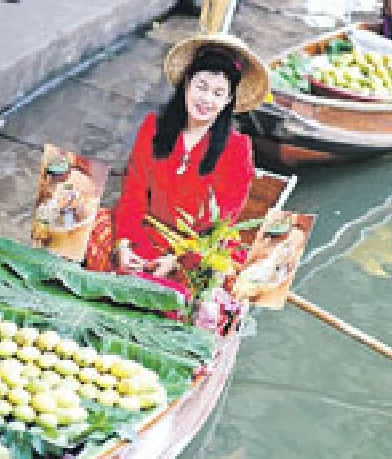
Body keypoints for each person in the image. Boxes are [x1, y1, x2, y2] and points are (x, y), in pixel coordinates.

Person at [84, 33, 268, 278]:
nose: (206, 99)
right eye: (201, 86)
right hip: (146, 233)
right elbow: (134, 190)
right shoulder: (153, 127)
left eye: (218, 93)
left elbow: (221, 223)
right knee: (94, 228)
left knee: (214, 277)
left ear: (228, 100)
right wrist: (125, 244)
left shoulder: (238, 149)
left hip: (197, 249)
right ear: (187, 83)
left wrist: (177, 260)